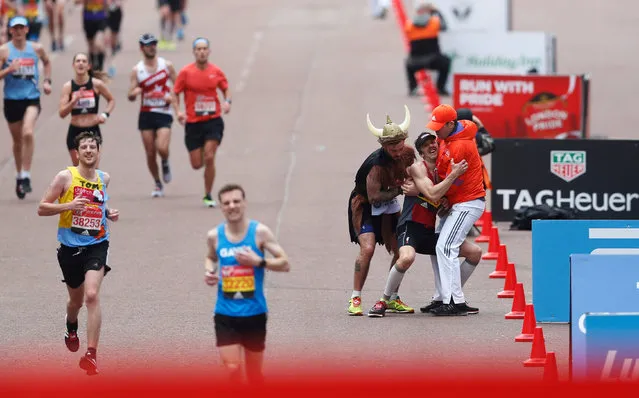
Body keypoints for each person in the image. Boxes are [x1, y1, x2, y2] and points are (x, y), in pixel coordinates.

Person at [367, 130, 483, 317]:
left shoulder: (442, 170)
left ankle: (449, 295)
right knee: (406, 258)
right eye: (426, 144)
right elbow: (432, 194)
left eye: (434, 143)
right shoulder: (418, 168)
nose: (432, 146)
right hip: (410, 226)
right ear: (420, 152)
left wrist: (445, 202)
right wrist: (450, 180)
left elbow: (439, 202)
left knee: (475, 253)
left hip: (428, 231)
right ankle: (383, 300)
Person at [37, 131, 119, 376]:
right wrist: (68, 206)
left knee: (92, 295)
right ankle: (70, 325)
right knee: (76, 301)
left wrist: (109, 213)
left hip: (97, 243)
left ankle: (91, 354)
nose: (89, 150)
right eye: (84, 147)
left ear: (99, 151)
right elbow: (42, 207)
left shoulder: (104, 178)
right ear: (77, 153)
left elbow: (98, 207)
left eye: (93, 146)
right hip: (70, 248)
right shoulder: (65, 177)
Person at [204, 183, 290, 384]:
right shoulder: (214, 236)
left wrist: (258, 261)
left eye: (236, 201)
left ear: (244, 203)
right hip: (225, 313)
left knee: (253, 376)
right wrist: (209, 270)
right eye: (227, 203)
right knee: (231, 368)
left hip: (254, 314)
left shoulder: (260, 233)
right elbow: (210, 257)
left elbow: (285, 263)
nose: (232, 206)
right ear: (221, 207)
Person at [347, 105, 417, 316]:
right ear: (383, 146)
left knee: (401, 251)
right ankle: (355, 297)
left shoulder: (407, 154)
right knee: (367, 249)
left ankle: (392, 297)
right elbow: (374, 197)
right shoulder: (375, 166)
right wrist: (399, 189)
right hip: (366, 206)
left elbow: (413, 173)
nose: (397, 153)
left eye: (399, 148)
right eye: (392, 150)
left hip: (390, 207)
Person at [425, 104, 486, 316]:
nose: (435, 131)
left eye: (439, 126)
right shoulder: (447, 138)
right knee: (439, 247)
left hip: (466, 202)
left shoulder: (460, 146)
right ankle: (443, 296)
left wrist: (443, 198)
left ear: (451, 124)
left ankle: (454, 301)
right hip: (456, 201)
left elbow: (456, 181)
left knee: (446, 247)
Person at [173, 37, 231, 208]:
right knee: (197, 164)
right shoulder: (186, 73)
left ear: (209, 51)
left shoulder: (216, 71)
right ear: (194, 52)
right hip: (193, 123)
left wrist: (227, 102)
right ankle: (206, 162)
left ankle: (208, 194)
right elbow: (175, 93)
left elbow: (225, 89)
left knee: (210, 156)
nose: (202, 52)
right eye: (198, 49)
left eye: (205, 48)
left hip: (213, 120)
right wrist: (178, 112)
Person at [0, 16, 52, 199]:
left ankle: (27, 175)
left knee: (28, 132)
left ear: (27, 30)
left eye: (22, 27)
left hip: (31, 98)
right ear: (11, 31)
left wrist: (47, 81)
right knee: (17, 141)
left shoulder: (36, 48)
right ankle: (19, 175)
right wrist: (8, 70)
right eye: (15, 28)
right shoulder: (4, 51)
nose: (19, 31)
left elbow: (46, 62)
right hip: (11, 100)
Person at [127, 33, 178, 197]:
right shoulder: (137, 70)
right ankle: (157, 182)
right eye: (148, 45)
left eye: (154, 44)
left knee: (162, 147)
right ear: (142, 48)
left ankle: (164, 161)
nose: (152, 47)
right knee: (149, 152)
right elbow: (130, 94)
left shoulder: (167, 66)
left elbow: (178, 87)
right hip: (146, 114)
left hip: (164, 112)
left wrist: (175, 101)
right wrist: (135, 92)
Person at [58, 52, 115, 166]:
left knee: (93, 170)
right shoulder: (68, 87)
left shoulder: (96, 84)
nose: (81, 63)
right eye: (78, 61)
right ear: (73, 65)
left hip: (92, 131)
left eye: (84, 61)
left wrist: (105, 115)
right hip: (75, 131)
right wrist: (73, 101)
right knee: (79, 172)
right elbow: (62, 113)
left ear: (88, 66)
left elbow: (111, 100)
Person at [404, 2, 451, 96]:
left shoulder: (409, 26)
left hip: (415, 61)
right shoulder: (434, 22)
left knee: (408, 63)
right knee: (446, 62)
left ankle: (413, 87)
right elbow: (444, 26)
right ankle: (441, 88)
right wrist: (436, 12)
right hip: (433, 59)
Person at [75, 0, 108, 72]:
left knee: (98, 43)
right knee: (91, 46)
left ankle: (100, 68)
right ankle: (93, 68)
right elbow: (76, 2)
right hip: (88, 19)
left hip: (100, 18)